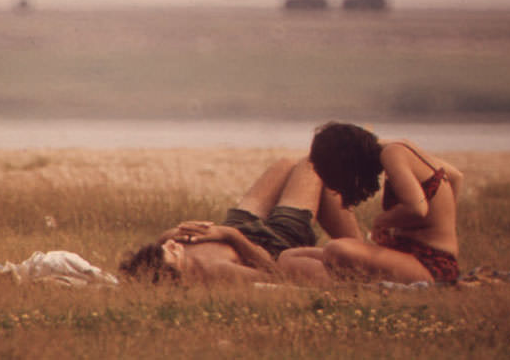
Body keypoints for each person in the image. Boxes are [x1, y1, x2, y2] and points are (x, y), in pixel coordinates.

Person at [118, 156, 362, 284]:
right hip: (271, 240)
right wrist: (231, 236)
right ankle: (362, 255)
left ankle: (359, 252)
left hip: (235, 225)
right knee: (315, 165)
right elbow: (274, 272)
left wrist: (173, 234)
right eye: (170, 253)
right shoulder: (215, 271)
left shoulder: (171, 250)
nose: (171, 247)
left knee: (285, 164)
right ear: (174, 271)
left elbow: (160, 244)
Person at [296, 121, 464, 284]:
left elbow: (417, 208)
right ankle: (346, 280)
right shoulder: (401, 148)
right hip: (406, 254)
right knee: (291, 256)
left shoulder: (392, 153)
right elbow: (455, 176)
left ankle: (349, 282)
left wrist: (380, 223)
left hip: (431, 262)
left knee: (336, 249)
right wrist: (442, 218)